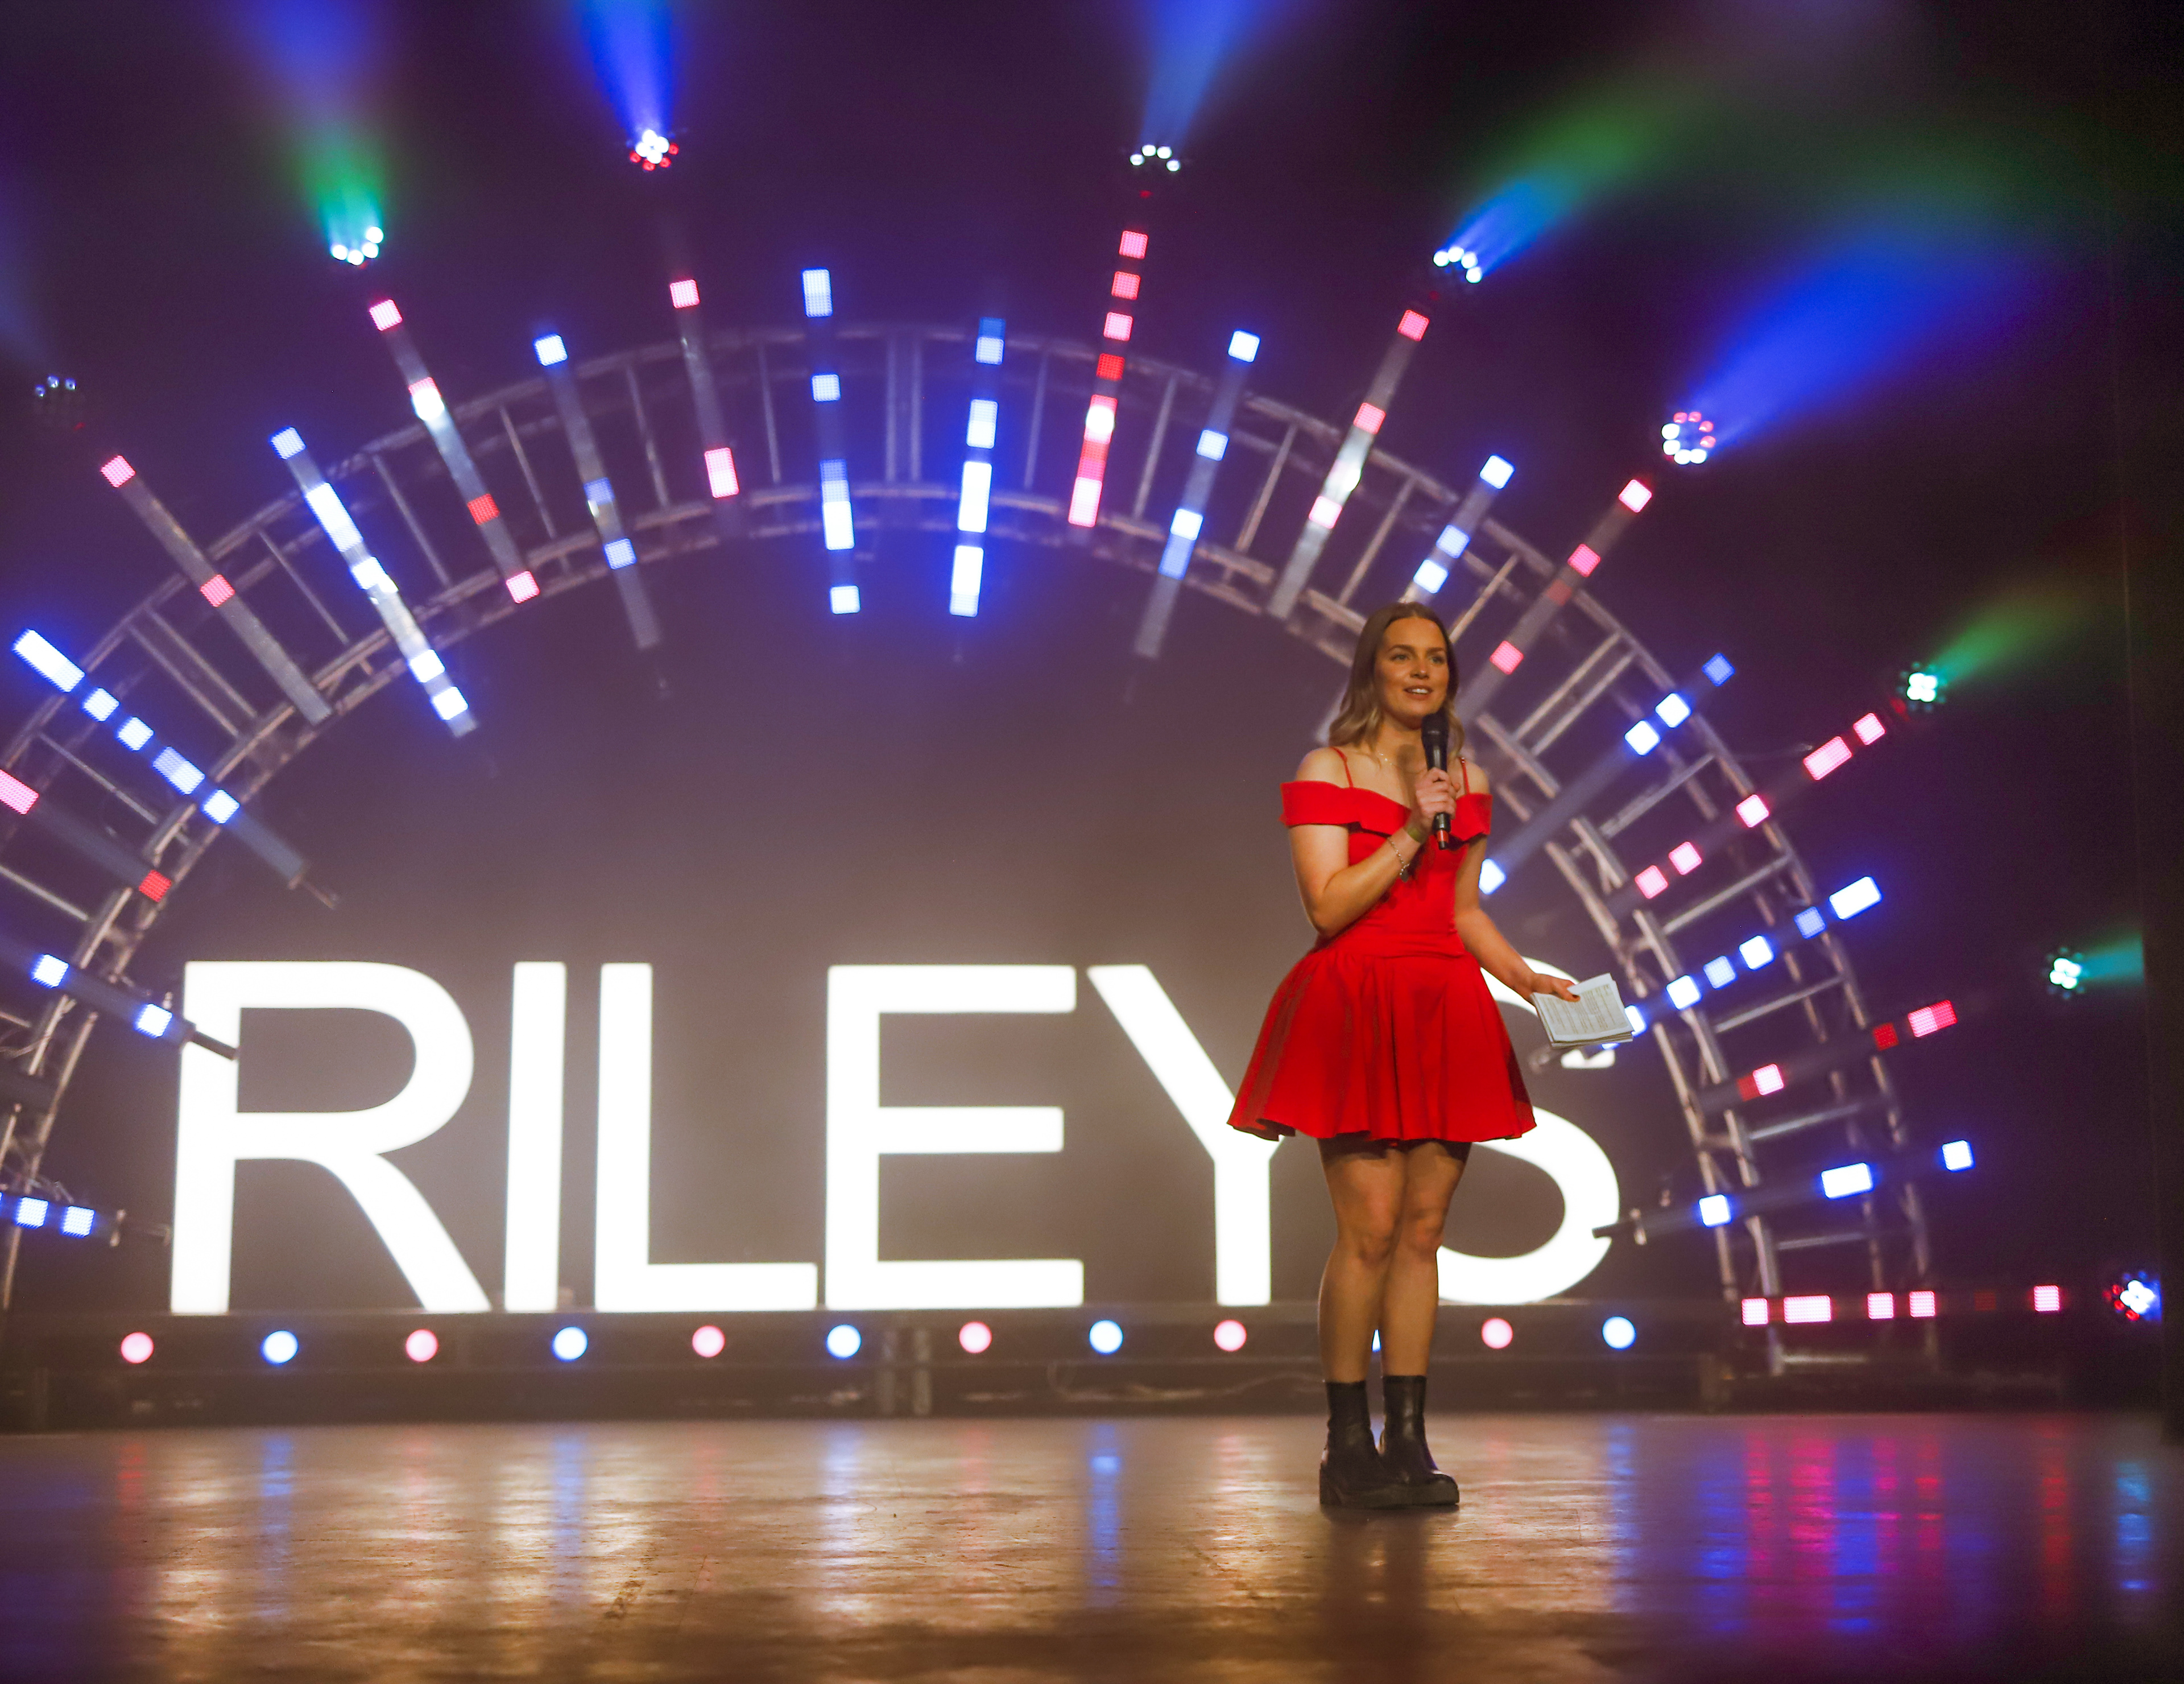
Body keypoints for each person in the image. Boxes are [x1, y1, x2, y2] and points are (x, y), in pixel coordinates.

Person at [1226, 601, 1578, 1510]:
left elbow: (1463, 912)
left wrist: (1525, 978)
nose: (1422, 671)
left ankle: (1409, 1439)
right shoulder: (1329, 768)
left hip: (1443, 1001)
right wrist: (1414, 829)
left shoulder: (1467, 779)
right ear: (1372, 670)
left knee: (1424, 1234)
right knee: (1371, 1231)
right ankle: (1347, 1446)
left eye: (1436, 658)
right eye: (1402, 656)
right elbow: (1327, 906)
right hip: (1357, 997)